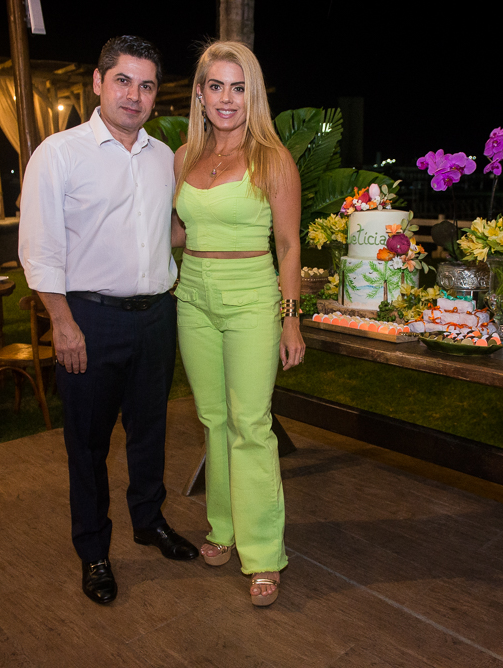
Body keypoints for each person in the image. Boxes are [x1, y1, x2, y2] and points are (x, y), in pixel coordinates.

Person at [18, 35, 198, 606]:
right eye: (123, 81)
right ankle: (94, 550)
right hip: (90, 320)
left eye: (146, 86)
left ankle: (149, 521)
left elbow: (171, 231)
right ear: (97, 82)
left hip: (157, 317)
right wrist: (61, 322)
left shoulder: (165, 158)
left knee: (150, 433)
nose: (134, 95)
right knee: (88, 445)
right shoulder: (59, 154)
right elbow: (39, 248)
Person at [172, 40, 304, 607]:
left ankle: (264, 553)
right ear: (200, 95)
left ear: (254, 95)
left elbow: (289, 246)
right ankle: (222, 527)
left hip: (252, 298)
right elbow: (180, 231)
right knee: (213, 419)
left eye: (238, 87)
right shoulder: (185, 157)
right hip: (192, 297)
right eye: (216, 86)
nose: (226, 98)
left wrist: (290, 321)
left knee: (250, 424)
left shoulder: (273, 159)